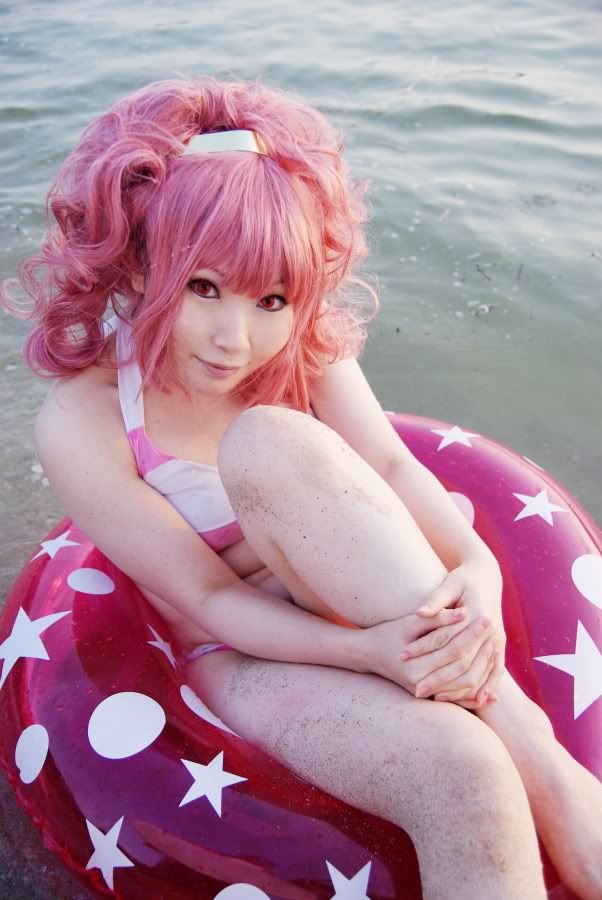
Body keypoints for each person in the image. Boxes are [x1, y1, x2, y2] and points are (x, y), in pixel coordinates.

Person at [2, 76, 600, 900]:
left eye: (271, 299)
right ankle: (514, 745)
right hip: (244, 656)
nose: (234, 338)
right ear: (141, 261)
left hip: (361, 590)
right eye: (203, 287)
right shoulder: (88, 417)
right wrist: (368, 654)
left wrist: (480, 574)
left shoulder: (300, 346)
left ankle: (533, 748)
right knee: (464, 771)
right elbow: (208, 598)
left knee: (273, 440)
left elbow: (391, 467)